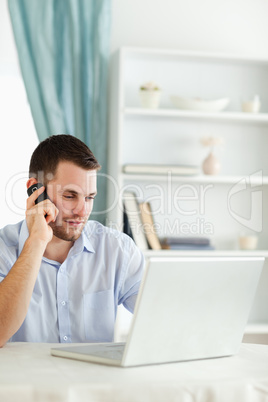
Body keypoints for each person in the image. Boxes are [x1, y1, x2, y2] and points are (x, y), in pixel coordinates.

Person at [0, 135, 144, 347]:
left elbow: (161, 315)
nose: (82, 211)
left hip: (95, 380)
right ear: (36, 190)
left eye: (89, 198)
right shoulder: (4, 250)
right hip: (25, 380)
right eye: (70, 196)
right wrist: (36, 242)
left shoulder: (117, 250)